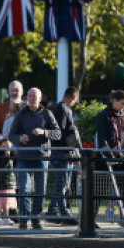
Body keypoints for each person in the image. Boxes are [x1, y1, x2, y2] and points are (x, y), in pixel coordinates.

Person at [7, 87, 60, 229]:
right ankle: (24, 218)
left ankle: (36, 218)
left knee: (40, 190)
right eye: (29, 96)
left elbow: (57, 134)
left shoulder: (47, 114)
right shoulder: (20, 114)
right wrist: (20, 138)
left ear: (40, 98)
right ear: (26, 98)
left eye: (34, 96)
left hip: (41, 157)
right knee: (24, 189)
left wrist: (44, 132)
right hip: (24, 157)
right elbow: (11, 135)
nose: (31, 99)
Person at [95, 90, 124, 227]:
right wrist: (108, 157)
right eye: (122, 103)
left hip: (120, 158)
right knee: (99, 191)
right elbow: (102, 140)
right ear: (114, 100)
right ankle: (88, 220)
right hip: (106, 159)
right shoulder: (104, 116)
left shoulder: (122, 116)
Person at [47, 86, 80, 223]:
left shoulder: (62, 109)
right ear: (73, 97)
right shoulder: (62, 110)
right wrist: (67, 151)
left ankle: (53, 211)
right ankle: (62, 212)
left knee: (61, 183)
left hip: (61, 151)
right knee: (62, 183)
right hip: (61, 151)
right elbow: (60, 132)